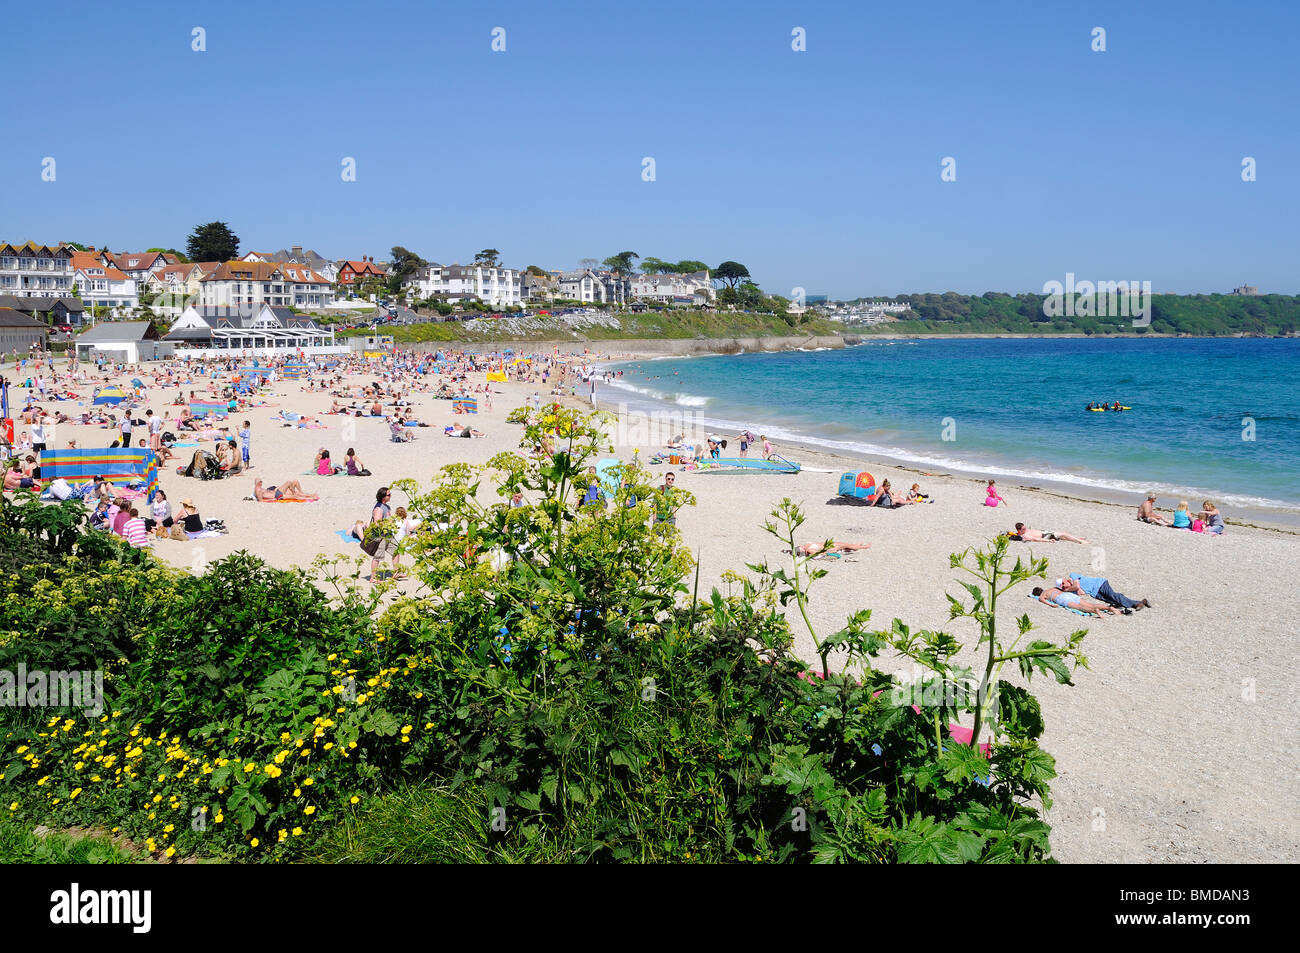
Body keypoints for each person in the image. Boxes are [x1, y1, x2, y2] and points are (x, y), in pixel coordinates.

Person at [1058, 573, 1151, 610]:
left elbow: (1077, 586)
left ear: (1065, 579)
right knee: (1112, 599)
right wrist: (1072, 589)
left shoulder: (1073, 576)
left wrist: (1068, 589)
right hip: (1095, 592)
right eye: (1062, 587)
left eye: (1063, 583)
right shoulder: (1072, 588)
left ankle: (1136, 604)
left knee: (1113, 596)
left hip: (1099, 584)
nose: (1064, 586)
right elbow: (1081, 592)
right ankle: (1141, 602)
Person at [367, 486, 399, 581]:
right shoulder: (379, 508)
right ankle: (373, 577)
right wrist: (388, 525)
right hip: (380, 536)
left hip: (388, 534)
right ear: (383, 497)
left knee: (396, 551)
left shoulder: (386, 507)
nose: (390, 496)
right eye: (389, 495)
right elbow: (377, 523)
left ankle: (396, 573)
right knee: (378, 556)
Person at [1032, 585, 1126, 617]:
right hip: (1067, 595)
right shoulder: (1052, 588)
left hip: (1061, 599)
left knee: (1079, 608)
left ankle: (1094, 611)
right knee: (1090, 604)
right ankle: (1109, 608)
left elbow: (1041, 599)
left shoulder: (1043, 594)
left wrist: (1051, 605)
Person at [1011, 522, 1090, 544]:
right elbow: (1036, 539)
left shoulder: (1021, 532)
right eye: (1024, 529)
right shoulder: (1025, 536)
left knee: (1062, 537)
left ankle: (1077, 538)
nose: (1026, 529)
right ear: (1019, 531)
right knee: (1063, 534)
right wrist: (1049, 541)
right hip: (1046, 536)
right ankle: (1080, 541)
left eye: (1025, 527)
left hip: (1045, 533)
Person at [252, 478, 318, 502]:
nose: (262, 483)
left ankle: (310, 496)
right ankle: (311, 497)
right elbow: (261, 500)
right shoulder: (258, 490)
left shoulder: (259, 488)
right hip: (276, 495)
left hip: (276, 493)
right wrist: (271, 500)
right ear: (258, 483)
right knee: (294, 495)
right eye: (261, 482)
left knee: (294, 494)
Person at [795, 540, 871, 558]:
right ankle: (863, 547)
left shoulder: (807, 546)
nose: (802, 546)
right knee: (845, 545)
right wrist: (830, 552)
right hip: (830, 547)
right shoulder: (809, 550)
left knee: (845, 546)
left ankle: (856, 546)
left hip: (829, 545)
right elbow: (820, 553)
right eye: (801, 548)